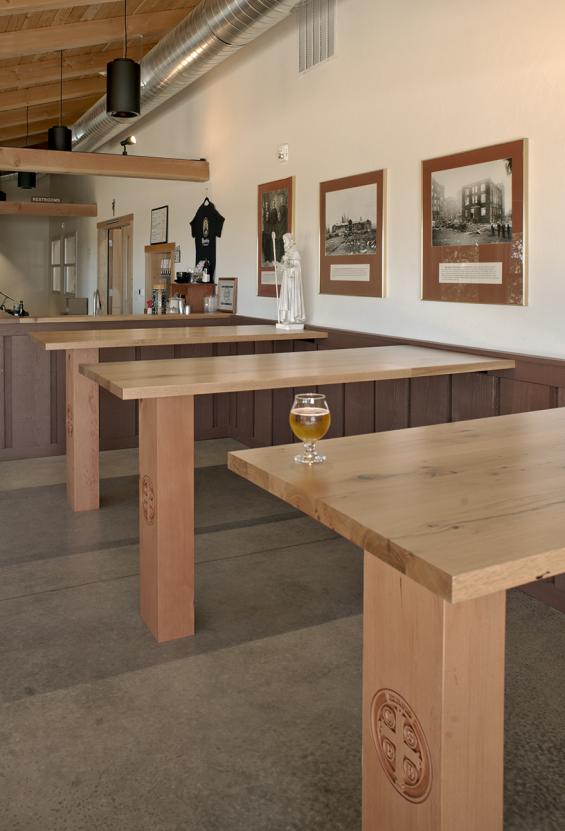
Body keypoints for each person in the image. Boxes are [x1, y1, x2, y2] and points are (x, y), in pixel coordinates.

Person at [276, 233, 305, 327]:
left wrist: (288, 265)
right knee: (286, 297)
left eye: (285, 241)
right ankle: (286, 317)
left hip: (293, 280)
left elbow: (296, 269)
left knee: (292, 297)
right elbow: (283, 268)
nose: (284, 243)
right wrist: (279, 265)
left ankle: (293, 317)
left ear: (290, 241)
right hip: (286, 279)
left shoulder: (295, 253)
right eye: (283, 241)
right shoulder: (286, 253)